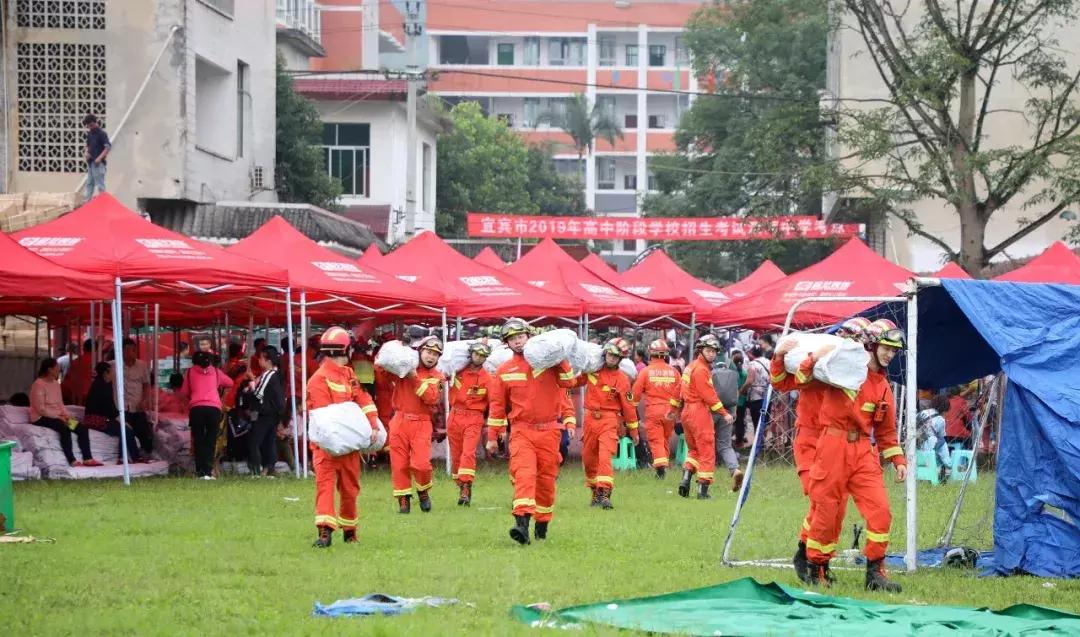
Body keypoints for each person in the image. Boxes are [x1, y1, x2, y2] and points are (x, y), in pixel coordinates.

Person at [802, 318, 908, 592]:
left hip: (864, 452)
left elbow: (886, 432)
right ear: (871, 346)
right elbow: (804, 376)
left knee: (881, 511)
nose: (889, 355)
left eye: (894, 351)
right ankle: (816, 567)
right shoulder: (843, 368)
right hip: (832, 447)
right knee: (828, 511)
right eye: (885, 348)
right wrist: (814, 358)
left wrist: (898, 460)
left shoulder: (884, 386)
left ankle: (875, 573)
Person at [772, 316, 870, 582]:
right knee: (822, 503)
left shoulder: (855, 372)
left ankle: (815, 558)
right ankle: (810, 559)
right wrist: (781, 356)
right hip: (810, 441)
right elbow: (782, 382)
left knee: (835, 507)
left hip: (838, 447)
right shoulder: (816, 366)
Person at [486, 317, 577, 545]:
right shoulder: (504, 371)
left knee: (546, 482)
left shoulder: (549, 364)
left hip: (549, 432)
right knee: (523, 475)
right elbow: (497, 408)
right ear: (507, 343)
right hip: (521, 431)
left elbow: (569, 383)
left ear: (529, 336)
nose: (517, 342)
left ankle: (542, 526)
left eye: (520, 337)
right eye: (512, 339)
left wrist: (560, 359)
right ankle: (521, 525)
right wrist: (492, 438)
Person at [308, 326, 383, 547]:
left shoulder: (348, 374)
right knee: (327, 486)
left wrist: (372, 425)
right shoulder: (318, 379)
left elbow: (362, 398)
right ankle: (325, 532)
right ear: (346, 350)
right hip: (327, 446)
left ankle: (349, 532)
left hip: (348, 446)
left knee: (349, 489)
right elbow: (325, 418)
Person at [574, 337, 639, 509]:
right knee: (588, 459)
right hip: (589, 420)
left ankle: (605, 493)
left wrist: (634, 431)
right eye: (609, 354)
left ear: (620, 359)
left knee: (605, 456)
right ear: (605, 354)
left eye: (615, 356)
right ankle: (595, 492)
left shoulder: (622, 380)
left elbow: (629, 407)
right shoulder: (592, 371)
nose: (611, 358)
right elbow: (572, 382)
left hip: (609, 420)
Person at [386, 335, 445, 513]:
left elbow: (432, 398)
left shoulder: (438, 377)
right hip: (399, 420)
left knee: (421, 464)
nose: (431, 356)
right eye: (428, 352)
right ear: (420, 351)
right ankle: (403, 500)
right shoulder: (404, 367)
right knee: (399, 464)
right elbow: (382, 370)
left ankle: (423, 490)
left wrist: (414, 378)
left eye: (435, 354)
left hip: (422, 422)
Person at [678, 333, 734, 500]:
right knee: (707, 450)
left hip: (686, 412)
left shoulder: (690, 366)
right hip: (698, 412)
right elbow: (709, 396)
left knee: (694, 449)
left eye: (714, 351)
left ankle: (686, 477)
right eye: (708, 350)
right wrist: (724, 414)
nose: (711, 354)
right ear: (700, 350)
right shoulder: (702, 370)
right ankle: (703, 491)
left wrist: (674, 409)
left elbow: (679, 389)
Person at [31, 358, 101, 467]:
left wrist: (67, 416)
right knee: (64, 428)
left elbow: (60, 404)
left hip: (58, 416)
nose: (59, 371)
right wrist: (59, 417)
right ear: (49, 370)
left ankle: (88, 458)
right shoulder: (38, 385)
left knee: (81, 428)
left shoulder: (55, 384)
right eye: (57, 368)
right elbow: (41, 409)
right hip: (41, 417)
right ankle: (72, 460)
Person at [448, 341, 494, 506]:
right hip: (454, 416)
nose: (479, 357)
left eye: (482, 356)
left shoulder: (487, 379)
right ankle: (461, 484)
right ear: (471, 354)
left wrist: (498, 427)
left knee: (468, 453)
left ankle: (466, 487)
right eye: (476, 354)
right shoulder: (457, 370)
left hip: (474, 418)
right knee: (456, 456)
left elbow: (495, 403)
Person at [631, 339, 681, 479]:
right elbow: (682, 393)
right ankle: (663, 465)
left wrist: (630, 409)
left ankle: (660, 470)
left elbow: (635, 394)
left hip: (654, 411)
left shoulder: (646, 372)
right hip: (670, 411)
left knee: (656, 440)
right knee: (665, 439)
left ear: (650, 353)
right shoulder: (674, 372)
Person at [179, 350, 233, 479]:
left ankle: (200, 471)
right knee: (210, 441)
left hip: (196, 408)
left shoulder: (190, 372)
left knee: (199, 441)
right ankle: (208, 472)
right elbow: (230, 383)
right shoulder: (215, 371)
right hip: (214, 408)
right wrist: (222, 396)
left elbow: (184, 392)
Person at [84, 361, 147, 462]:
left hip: (104, 418)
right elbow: (109, 409)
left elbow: (111, 408)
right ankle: (132, 457)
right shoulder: (100, 386)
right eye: (111, 372)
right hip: (95, 419)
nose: (113, 374)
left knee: (126, 430)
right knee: (126, 430)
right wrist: (121, 420)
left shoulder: (105, 384)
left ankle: (127, 457)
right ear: (106, 373)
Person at [245, 346, 285, 477]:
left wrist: (251, 384)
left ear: (268, 360)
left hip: (265, 413)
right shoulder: (277, 374)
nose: (259, 360)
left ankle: (256, 470)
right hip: (274, 413)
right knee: (269, 441)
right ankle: (268, 469)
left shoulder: (269, 374)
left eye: (261, 358)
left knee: (254, 442)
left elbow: (258, 394)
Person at [115, 338, 155, 458]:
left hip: (138, 406)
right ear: (121, 351)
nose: (130, 353)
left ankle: (145, 454)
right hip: (122, 407)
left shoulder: (142, 366)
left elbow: (147, 385)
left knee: (144, 432)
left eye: (133, 350)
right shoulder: (115, 365)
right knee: (127, 431)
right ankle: (129, 456)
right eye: (127, 351)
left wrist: (145, 400)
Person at [917, 395, 952, 482]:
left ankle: (939, 468)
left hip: (917, 444)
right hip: (928, 446)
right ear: (945, 408)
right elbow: (941, 435)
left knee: (935, 444)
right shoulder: (940, 419)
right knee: (942, 443)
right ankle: (948, 465)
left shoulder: (922, 412)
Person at [740, 345, 770, 441]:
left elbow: (749, 381)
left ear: (751, 354)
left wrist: (741, 391)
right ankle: (763, 442)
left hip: (755, 396)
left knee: (756, 420)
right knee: (765, 420)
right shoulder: (768, 362)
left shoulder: (752, 364)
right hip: (768, 395)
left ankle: (758, 443)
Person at [83, 113, 110, 200]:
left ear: (95, 123)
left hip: (98, 164)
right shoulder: (90, 133)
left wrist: (99, 158)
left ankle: (103, 203)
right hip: (91, 163)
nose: (90, 127)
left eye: (91, 125)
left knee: (100, 185)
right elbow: (87, 145)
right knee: (89, 183)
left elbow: (107, 147)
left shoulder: (102, 134)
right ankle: (87, 203)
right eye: (88, 126)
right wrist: (86, 152)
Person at [61, 339, 95, 405]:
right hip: (84, 397)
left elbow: (66, 377)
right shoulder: (95, 361)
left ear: (83, 348)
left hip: (69, 393)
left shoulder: (76, 361)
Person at [730, 350, 749, 447]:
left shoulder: (731, 373)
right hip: (742, 401)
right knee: (740, 422)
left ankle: (728, 440)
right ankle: (739, 441)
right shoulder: (745, 373)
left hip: (731, 401)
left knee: (730, 421)